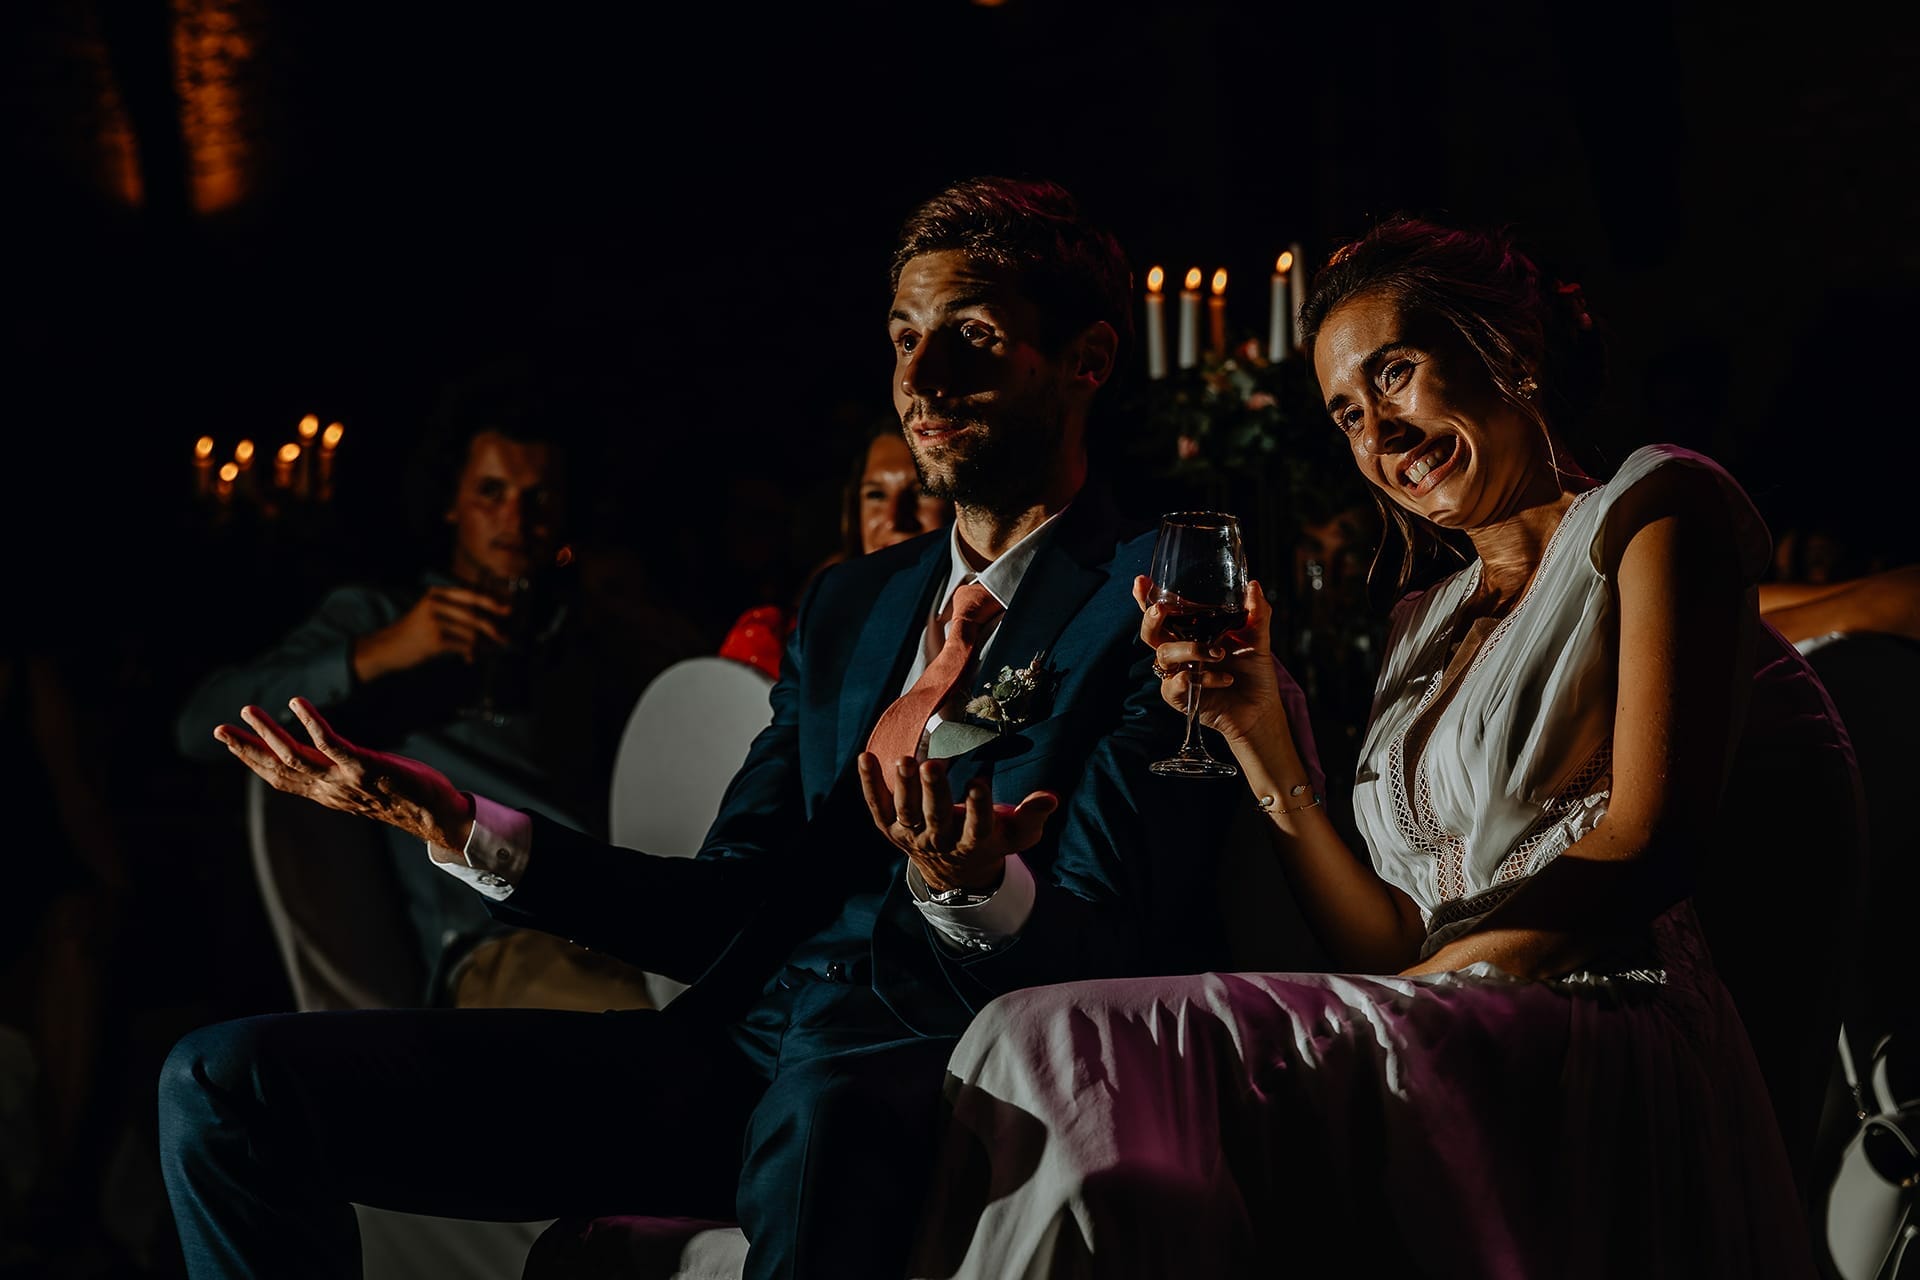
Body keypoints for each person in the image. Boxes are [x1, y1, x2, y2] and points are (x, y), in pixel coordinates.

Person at [157, 175, 1236, 1280]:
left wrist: (973, 889)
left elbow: (1117, 945)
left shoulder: (1156, 603)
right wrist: (460, 826)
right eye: (906, 337)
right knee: (224, 1080)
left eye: (974, 337)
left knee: (822, 1111)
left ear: (1088, 360)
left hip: (932, 1070)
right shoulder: (850, 604)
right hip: (727, 1060)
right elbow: (723, 906)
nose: (921, 379)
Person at [906, 215, 1858, 1278]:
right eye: (1348, 414)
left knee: (1086, 1044)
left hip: (1598, 1034)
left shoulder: (1657, 505)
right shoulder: (1423, 619)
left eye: (1394, 373)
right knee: (1039, 1048)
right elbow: (1386, 938)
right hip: (1449, 1028)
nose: (1378, 433)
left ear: (1510, 351)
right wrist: (1261, 741)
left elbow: (1647, 848)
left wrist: (1436, 986)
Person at [172, 363, 695, 1008]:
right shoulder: (382, 615)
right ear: (451, 501)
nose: (514, 520)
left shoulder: (584, 635)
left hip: (623, 911)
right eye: (491, 493)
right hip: (501, 939)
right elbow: (198, 725)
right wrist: (387, 650)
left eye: (537, 499)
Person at [720, 422, 952, 680]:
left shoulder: (978, 634)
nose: (893, 519)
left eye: (923, 491)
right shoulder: (778, 642)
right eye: (876, 495)